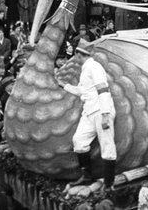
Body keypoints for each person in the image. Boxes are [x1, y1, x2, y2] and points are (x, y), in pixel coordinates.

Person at [56, 39, 116, 190]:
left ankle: (109, 185)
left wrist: (105, 115)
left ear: (78, 54)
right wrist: (65, 85)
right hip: (89, 110)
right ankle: (87, 176)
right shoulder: (86, 68)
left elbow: (103, 89)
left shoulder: (94, 67)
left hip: (100, 110)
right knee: (79, 141)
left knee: (107, 146)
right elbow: (82, 90)